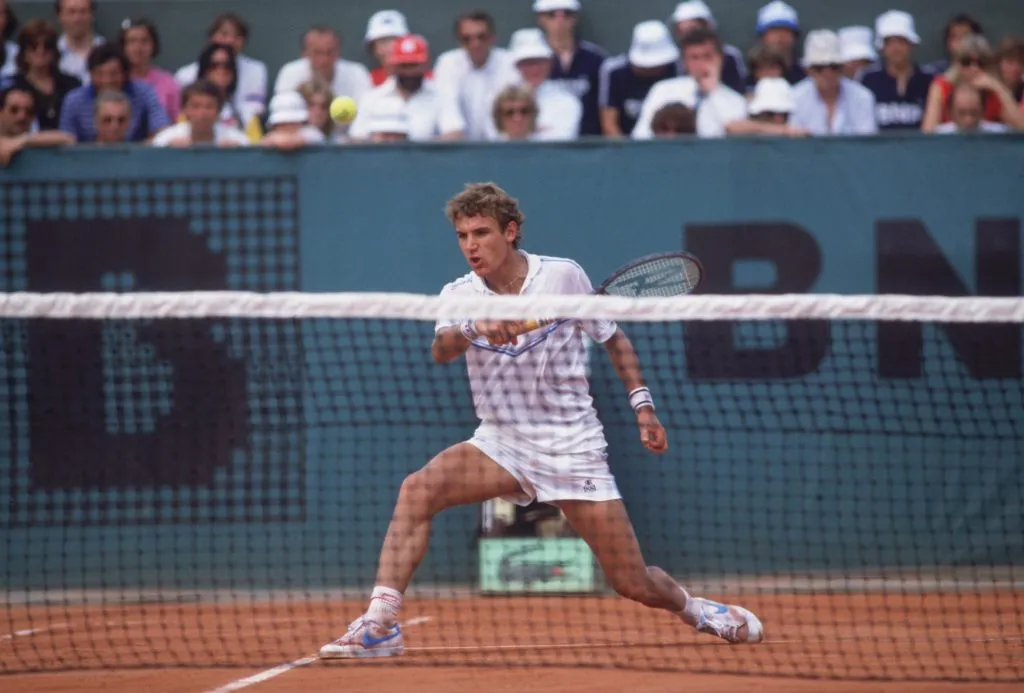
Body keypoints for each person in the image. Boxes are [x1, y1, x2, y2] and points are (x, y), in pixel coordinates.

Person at [317, 181, 765, 659]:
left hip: (571, 445)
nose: (470, 245)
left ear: (510, 232)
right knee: (418, 490)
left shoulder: (563, 277)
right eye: (462, 235)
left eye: (482, 233)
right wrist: (475, 326)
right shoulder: (458, 294)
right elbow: (442, 349)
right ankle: (381, 624)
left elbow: (613, 340)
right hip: (501, 442)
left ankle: (696, 609)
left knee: (631, 581)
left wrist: (643, 406)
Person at [920, 33, 1024, 133]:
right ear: (957, 64)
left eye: (980, 63)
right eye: (966, 62)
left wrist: (998, 87)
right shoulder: (942, 87)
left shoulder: (992, 90)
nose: (973, 68)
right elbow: (928, 133)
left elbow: (1021, 127)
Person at [8, 19, 81, 130]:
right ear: (24, 53)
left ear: (54, 51)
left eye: (47, 46)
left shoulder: (72, 84)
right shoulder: (12, 86)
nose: (40, 51)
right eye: (33, 46)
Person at [152, 79, 248, 148]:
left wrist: (237, 154)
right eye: (195, 106)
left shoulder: (238, 140)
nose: (202, 113)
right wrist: (168, 151)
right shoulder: (165, 140)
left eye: (209, 107)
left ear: (219, 111)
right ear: (184, 110)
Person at [118, 18, 179, 121]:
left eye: (144, 41)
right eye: (132, 41)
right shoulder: (116, 80)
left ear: (153, 46)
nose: (138, 48)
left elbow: (177, 119)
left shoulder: (168, 82)